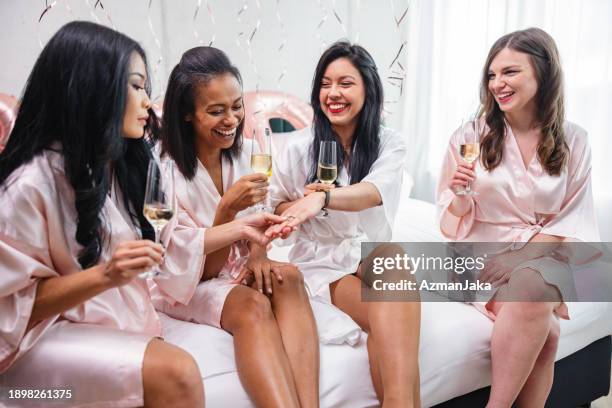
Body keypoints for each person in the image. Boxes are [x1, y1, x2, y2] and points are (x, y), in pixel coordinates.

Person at [0, 21, 284, 408]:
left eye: (145, 88)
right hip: (40, 338)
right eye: (135, 86)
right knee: (182, 370)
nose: (148, 101)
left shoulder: (119, 165)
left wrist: (246, 227)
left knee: (345, 278)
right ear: (93, 88)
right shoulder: (31, 185)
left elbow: (174, 245)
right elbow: (11, 306)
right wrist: (105, 275)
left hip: (348, 262)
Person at [436, 27, 599, 408]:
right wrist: (461, 196)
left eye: (510, 72)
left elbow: (570, 219)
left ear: (542, 74)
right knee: (550, 332)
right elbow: (451, 213)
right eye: (492, 75)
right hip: (479, 251)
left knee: (536, 290)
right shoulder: (472, 133)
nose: (497, 83)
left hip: (541, 251)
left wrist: (519, 257)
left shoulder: (575, 140)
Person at [158, 46, 319, 408]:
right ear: (187, 114)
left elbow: (262, 210)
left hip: (233, 265)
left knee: (289, 277)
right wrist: (227, 208)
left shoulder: (249, 152)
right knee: (251, 306)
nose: (230, 119)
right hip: (186, 281)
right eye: (216, 111)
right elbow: (203, 272)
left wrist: (259, 254)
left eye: (236, 106)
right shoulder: (165, 171)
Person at [266, 41, 421, 407]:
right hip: (323, 261)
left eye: (345, 83)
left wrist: (323, 198)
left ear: (368, 88)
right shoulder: (299, 146)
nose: (333, 93)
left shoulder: (388, 142)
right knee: (393, 328)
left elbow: (373, 192)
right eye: (325, 83)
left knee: (394, 261)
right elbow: (276, 204)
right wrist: (302, 203)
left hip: (367, 249)